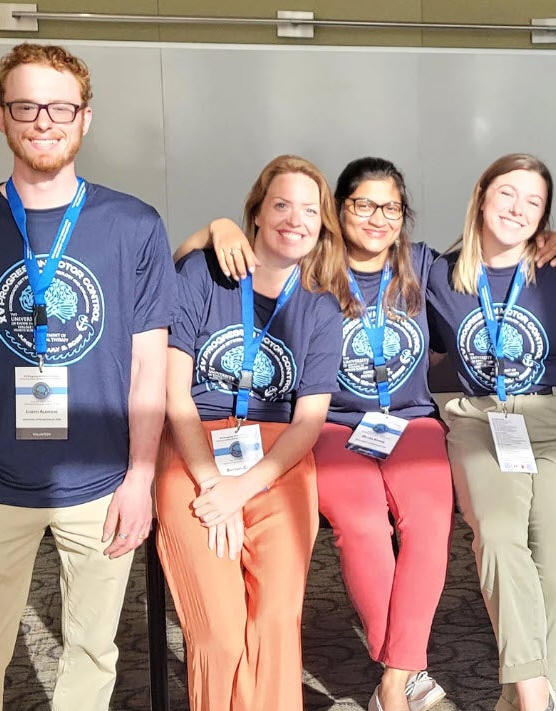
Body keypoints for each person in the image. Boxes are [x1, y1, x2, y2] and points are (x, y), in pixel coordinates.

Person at [175, 157, 458, 711]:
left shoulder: (421, 266)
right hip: (330, 425)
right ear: (338, 211)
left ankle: (397, 679)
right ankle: (404, 668)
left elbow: (488, 256)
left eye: (392, 208)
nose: (378, 218)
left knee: (428, 522)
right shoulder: (309, 267)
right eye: (363, 204)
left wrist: (548, 239)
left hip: (410, 422)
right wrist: (215, 228)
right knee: (363, 525)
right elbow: (185, 266)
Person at [0, 43, 175, 711]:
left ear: (85, 117)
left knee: (92, 654)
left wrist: (141, 476)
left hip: (102, 481)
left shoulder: (133, 225)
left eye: (60, 107)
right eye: (26, 106)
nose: (44, 121)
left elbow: (149, 365)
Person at [156, 154, 344, 711]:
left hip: (277, 458)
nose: (295, 220)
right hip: (194, 447)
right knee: (219, 631)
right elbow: (174, 395)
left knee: (275, 623)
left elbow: (308, 421)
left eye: (309, 210)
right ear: (256, 214)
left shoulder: (321, 308)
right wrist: (214, 482)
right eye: (282, 205)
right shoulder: (204, 274)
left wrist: (243, 487)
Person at [424, 153, 556, 711]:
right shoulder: (438, 274)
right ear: (482, 195)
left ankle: (523, 700)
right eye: (507, 193)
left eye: (533, 201)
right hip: (480, 420)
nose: (517, 208)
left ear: (545, 216)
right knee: (500, 537)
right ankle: (537, 698)